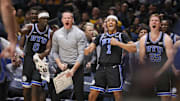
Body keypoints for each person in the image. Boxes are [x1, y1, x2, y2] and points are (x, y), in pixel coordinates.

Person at [84, 15, 136, 101]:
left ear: (116, 24)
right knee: (92, 94)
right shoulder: (100, 36)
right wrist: (84, 49)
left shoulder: (121, 35)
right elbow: (88, 50)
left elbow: (134, 48)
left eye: (113, 21)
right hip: (101, 68)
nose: (110, 22)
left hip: (114, 68)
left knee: (117, 94)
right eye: (108, 21)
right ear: (106, 24)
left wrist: (118, 43)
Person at [51, 11, 86, 101]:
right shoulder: (57, 34)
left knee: (79, 94)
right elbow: (54, 52)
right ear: (62, 20)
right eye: (65, 18)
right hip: (63, 66)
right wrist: (60, 65)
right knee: (55, 93)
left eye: (69, 18)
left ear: (73, 20)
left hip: (77, 67)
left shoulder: (80, 34)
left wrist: (73, 70)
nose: (67, 19)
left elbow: (82, 54)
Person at [139, 14, 174, 101]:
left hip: (163, 72)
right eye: (152, 20)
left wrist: (160, 72)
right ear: (149, 23)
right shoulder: (143, 39)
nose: (154, 22)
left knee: (165, 97)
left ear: (160, 24)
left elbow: (170, 59)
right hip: (149, 72)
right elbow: (141, 59)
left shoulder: (166, 39)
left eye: (156, 20)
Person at [20, 11, 52, 101]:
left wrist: (41, 55)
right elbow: (21, 44)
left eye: (47, 19)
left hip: (39, 61)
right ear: (39, 19)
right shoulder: (30, 27)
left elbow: (48, 49)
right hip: (28, 60)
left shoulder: (50, 32)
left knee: (36, 89)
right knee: (26, 91)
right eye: (44, 18)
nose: (45, 20)